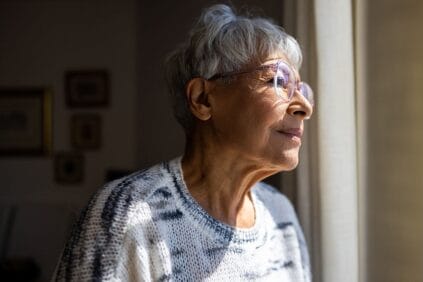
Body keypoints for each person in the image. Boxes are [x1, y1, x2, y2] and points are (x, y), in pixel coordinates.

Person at [54, 4, 313, 281]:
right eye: (277, 81)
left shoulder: (280, 214)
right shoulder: (126, 214)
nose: (304, 107)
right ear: (202, 98)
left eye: (301, 89)